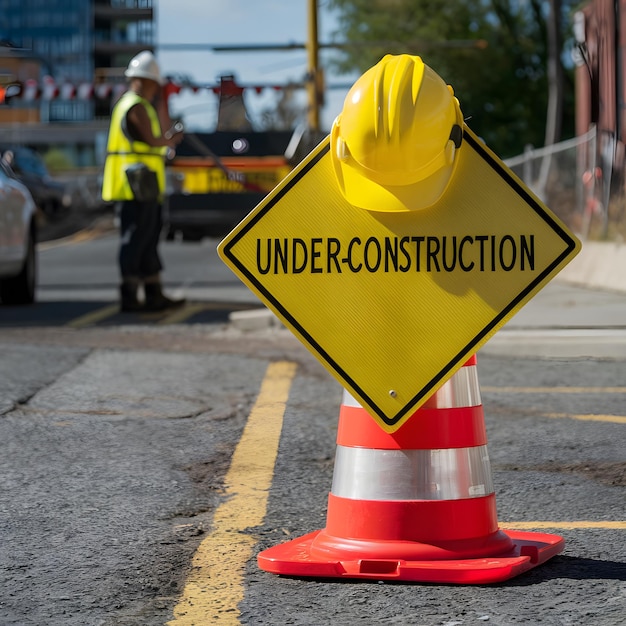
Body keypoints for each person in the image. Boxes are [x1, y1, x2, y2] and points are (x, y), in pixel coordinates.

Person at [102, 50, 185, 312]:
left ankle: (153, 293)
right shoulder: (134, 105)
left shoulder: (140, 104)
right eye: (154, 84)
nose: (155, 89)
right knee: (136, 240)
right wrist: (169, 139)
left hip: (144, 186)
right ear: (143, 81)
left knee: (147, 239)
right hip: (134, 185)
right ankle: (130, 294)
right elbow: (152, 139)